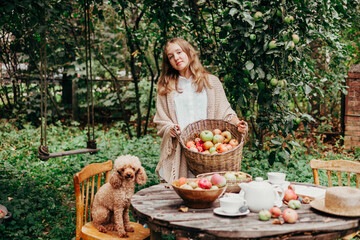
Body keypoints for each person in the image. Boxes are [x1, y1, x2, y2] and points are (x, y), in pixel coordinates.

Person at [153, 38, 248, 184]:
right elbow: (161, 120)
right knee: (184, 194)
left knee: (212, 192)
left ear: (189, 53)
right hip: (182, 151)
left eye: (179, 52)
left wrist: (237, 123)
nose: (176, 58)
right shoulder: (166, 87)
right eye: (171, 56)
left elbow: (225, 112)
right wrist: (169, 128)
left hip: (209, 151)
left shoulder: (211, 82)